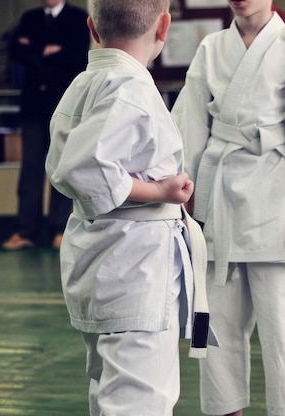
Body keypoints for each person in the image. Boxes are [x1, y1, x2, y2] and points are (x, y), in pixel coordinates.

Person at [171, 0, 285, 414]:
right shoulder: (210, 48)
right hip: (219, 205)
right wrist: (184, 205)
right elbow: (190, 127)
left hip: (276, 205)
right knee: (218, 329)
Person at [45, 0, 213, 414]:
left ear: (92, 28)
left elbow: (62, 167)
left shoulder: (86, 82)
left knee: (112, 397)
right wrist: (160, 193)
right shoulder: (129, 88)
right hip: (133, 267)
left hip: (105, 259)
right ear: (164, 27)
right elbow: (83, 169)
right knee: (139, 401)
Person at [2, 0, 90, 251]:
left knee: (62, 167)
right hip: (33, 108)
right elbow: (15, 51)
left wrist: (38, 51)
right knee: (30, 168)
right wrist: (50, 51)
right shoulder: (29, 18)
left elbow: (77, 56)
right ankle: (26, 230)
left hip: (63, 107)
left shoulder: (76, 18)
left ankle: (60, 228)